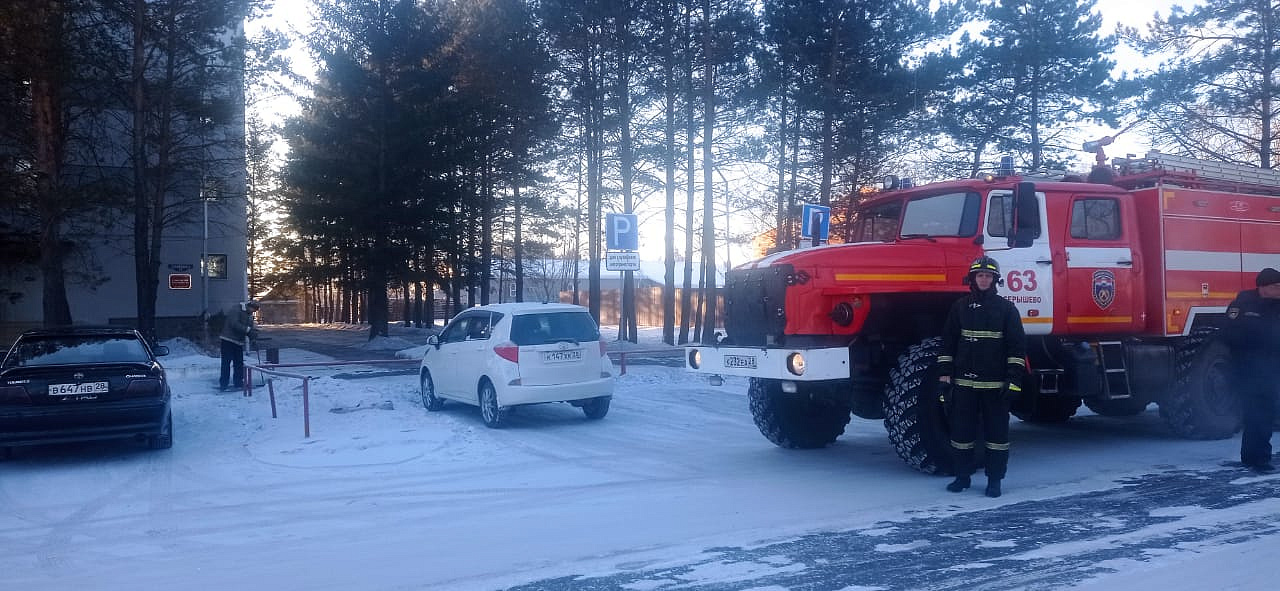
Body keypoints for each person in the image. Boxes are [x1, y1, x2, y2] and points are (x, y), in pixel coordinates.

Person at [936, 256, 1027, 498]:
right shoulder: (960, 307)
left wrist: (1014, 380)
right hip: (964, 385)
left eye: (988, 276)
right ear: (973, 279)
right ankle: (962, 476)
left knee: (997, 437)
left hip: (995, 386)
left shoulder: (1007, 309)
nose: (984, 279)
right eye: (980, 275)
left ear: (994, 280)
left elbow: (1016, 348)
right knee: (961, 434)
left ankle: (994, 480)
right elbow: (948, 343)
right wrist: (945, 376)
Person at [1222, 268, 1280, 473]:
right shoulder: (1242, 305)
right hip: (1247, 367)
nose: (1279, 289)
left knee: (1265, 413)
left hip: (1271, 368)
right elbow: (1228, 333)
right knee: (1255, 413)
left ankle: (1258, 457)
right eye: (1276, 286)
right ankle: (1255, 459)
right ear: (1263, 287)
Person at [219, 300, 260, 391]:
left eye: (254, 311)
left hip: (238, 342)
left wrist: (253, 338)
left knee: (239, 363)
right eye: (252, 309)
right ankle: (223, 384)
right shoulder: (236, 310)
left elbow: (249, 328)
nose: (252, 312)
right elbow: (234, 324)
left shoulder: (249, 315)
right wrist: (248, 330)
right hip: (228, 340)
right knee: (226, 363)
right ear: (249, 306)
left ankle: (238, 383)